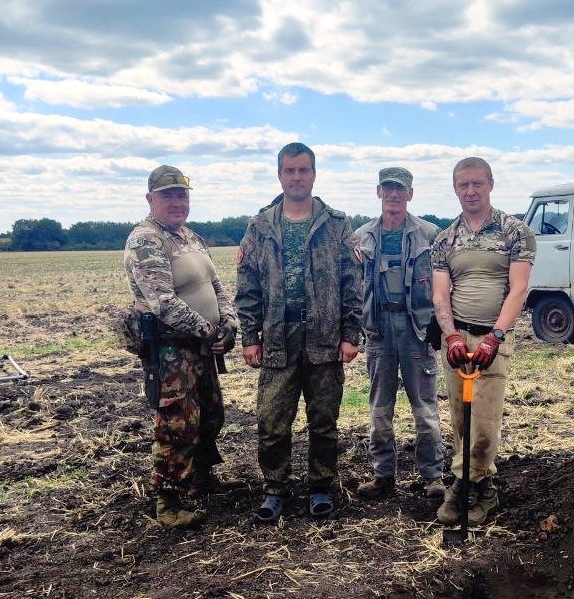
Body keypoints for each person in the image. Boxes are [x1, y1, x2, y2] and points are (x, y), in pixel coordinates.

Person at [235, 142, 363, 522]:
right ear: (279, 175)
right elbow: (248, 286)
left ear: (314, 174)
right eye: (289, 170)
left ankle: (320, 486)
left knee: (324, 421)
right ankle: (275, 488)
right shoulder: (260, 226)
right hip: (278, 338)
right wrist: (250, 337)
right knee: (272, 422)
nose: (296, 177)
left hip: (324, 336)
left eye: (303, 170)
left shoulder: (336, 224)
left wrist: (350, 334)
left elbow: (351, 283)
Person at [124, 164, 238, 528]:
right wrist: (209, 330)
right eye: (168, 195)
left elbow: (216, 286)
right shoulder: (146, 240)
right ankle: (168, 500)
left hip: (202, 348)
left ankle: (199, 479)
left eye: (182, 195)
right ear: (150, 199)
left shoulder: (190, 237)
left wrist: (229, 324)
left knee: (210, 415)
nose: (177, 202)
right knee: (177, 424)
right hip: (171, 352)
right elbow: (163, 302)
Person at [431, 157, 536, 525]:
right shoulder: (444, 239)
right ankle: (480, 488)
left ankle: (464, 488)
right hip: (456, 338)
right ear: (455, 189)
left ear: (490, 184)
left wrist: (495, 336)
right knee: (461, 420)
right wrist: (450, 335)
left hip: (493, 338)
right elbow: (440, 294)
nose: (470, 191)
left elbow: (519, 289)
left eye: (477, 183)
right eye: (463, 184)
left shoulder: (515, 232)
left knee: (485, 424)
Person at [354, 167, 444, 501]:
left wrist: (439, 325)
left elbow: (445, 282)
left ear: (410, 194)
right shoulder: (361, 237)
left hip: (416, 330)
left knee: (425, 409)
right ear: (378, 191)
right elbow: (351, 287)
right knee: (380, 408)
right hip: (378, 331)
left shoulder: (431, 235)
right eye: (388, 188)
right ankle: (383, 476)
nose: (394, 194)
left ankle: (433, 476)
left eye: (400, 189)